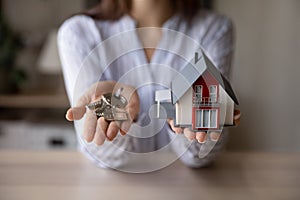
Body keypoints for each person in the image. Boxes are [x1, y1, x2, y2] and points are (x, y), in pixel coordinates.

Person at [58, 0, 240, 170]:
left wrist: (183, 122)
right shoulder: (78, 32)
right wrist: (119, 114)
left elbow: (204, 154)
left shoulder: (214, 29)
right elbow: (98, 149)